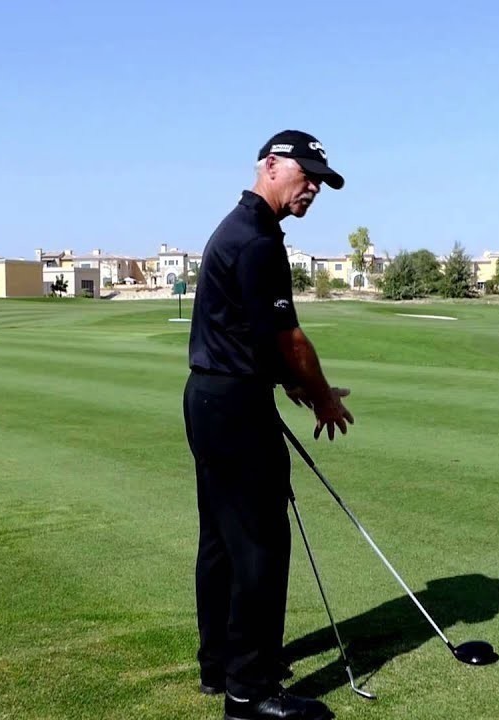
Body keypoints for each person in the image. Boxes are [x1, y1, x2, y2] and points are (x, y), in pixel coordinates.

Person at [182, 129, 354, 720]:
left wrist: (291, 385)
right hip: (234, 405)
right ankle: (249, 692)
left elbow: (250, 331)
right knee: (259, 545)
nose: (313, 189)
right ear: (271, 165)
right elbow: (288, 338)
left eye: (320, 183)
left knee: (221, 540)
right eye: (307, 176)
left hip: (211, 398)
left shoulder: (240, 229)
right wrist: (322, 397)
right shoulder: (256, 241)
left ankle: (219, 666)